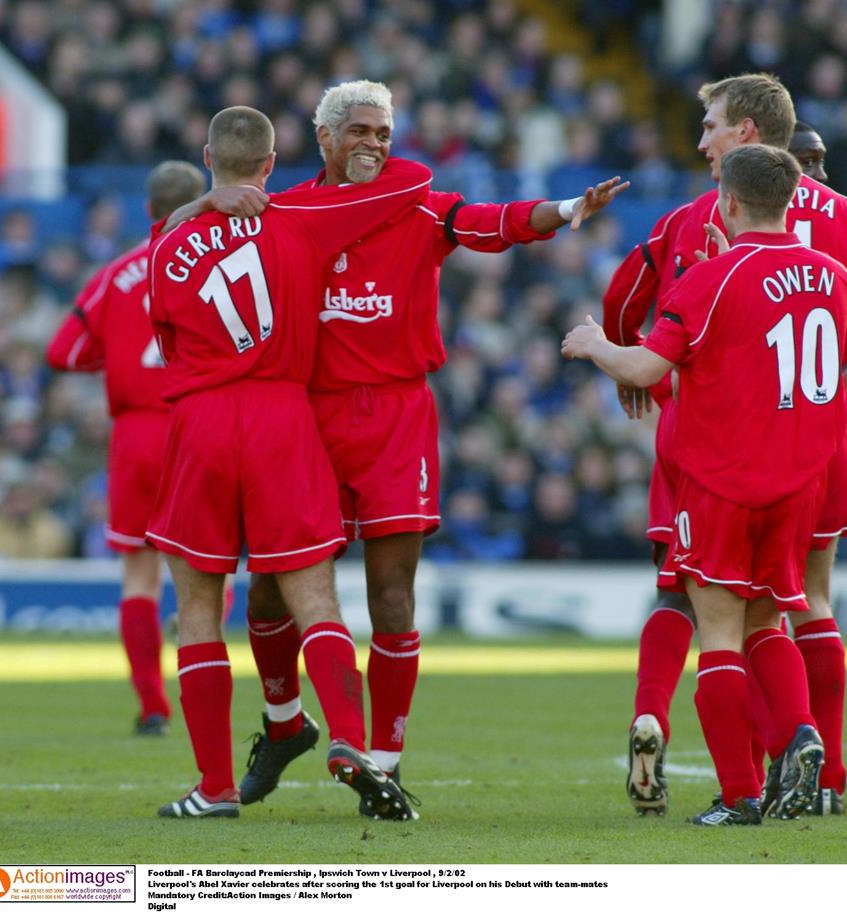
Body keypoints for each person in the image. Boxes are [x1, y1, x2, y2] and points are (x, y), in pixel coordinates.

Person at [168, 80, 629, 816]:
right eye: (359, 130)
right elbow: (212, 237)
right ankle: (285, 722)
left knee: (392, 593)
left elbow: (495, 221)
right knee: (266, 591)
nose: (375, 144)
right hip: (305, 419)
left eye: (384, 131)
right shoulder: (285, 212)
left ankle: (382, 760)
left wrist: (568, 210)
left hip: (394, 417)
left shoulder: (420, 204)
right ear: (322, 138)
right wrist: (204, 201)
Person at [608, 73, 847, 818]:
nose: (701, 140)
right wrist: (840, 390)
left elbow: (626, 307)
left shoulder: (698, 222)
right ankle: (825, 774)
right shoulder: (843, 219)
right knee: (801, 602)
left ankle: (741, 778)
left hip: (716, 440)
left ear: (745, 137)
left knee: (696, 597)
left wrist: (615, 356)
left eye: (711, 125)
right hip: (818, 435)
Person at [147, 105, 432, 820]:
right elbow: (412, 182)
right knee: (316, 600)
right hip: (285, 417)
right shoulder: (303, 220)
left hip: (204, 420)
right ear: (272, 165)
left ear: (209, 158)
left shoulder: (168, 240)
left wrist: (199, 204)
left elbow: (167, 333)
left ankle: (213, 789)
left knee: (197, 609)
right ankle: (351, 740)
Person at [564, 143, 847, 825]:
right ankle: (801, 735)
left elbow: (645, 369)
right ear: (791, 200)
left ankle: (739, 797)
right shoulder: (833, 275)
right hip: (800, 480)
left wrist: (592, 343)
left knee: (717, 633)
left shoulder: (708, 280)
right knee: (769, 619)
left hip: (723, 478)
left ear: (725, 199)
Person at [45, 160, 206, 737]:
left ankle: (152, 706)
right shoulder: (217, 259)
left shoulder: (117, 272)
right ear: (202, 202)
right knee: (204, 573)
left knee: (139, 577)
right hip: (198, 427)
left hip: (136, 435)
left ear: (147, 209)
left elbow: (62, 353)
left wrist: (111, 357)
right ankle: (206, 704)